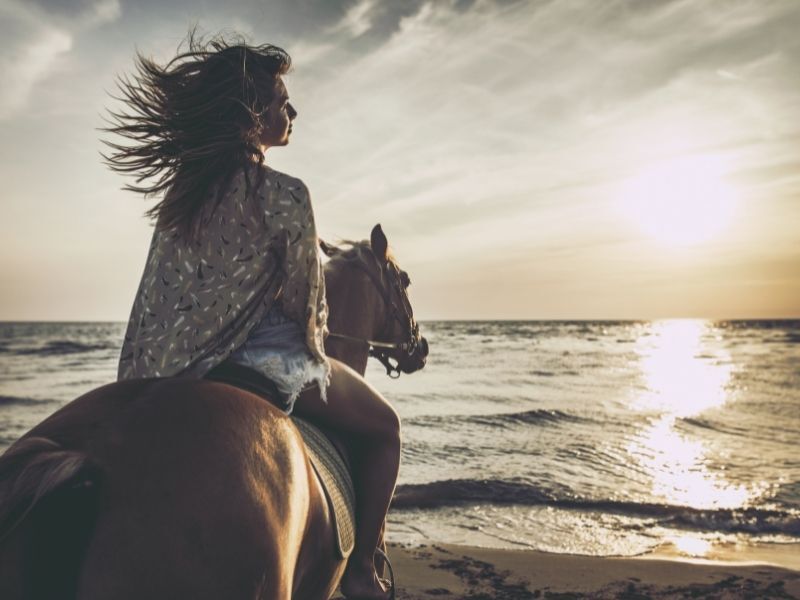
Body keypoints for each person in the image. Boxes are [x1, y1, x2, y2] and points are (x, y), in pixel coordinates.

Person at [104, 31, 399, 599]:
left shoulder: (182, 199)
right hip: (263, 364)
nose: (292, 110)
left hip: (172, 371)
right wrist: (314, 336)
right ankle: (361, 571)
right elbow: (307, 311)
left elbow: (160, 294)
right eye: (282, 100)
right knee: (386, 428)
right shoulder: (286, 194)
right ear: (254, 112)